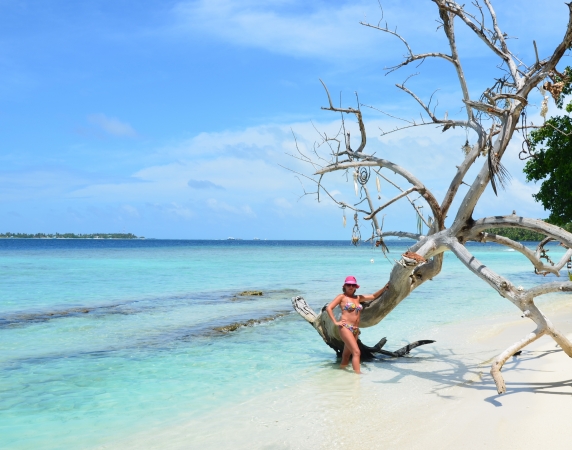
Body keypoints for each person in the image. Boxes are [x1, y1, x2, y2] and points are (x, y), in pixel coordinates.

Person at [325, 276, 390, 373]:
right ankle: (357, 376)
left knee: (347, 354)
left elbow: (373, 296)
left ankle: (341, 371)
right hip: (345, 327)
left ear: (356, 287)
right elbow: (329, 308)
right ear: (345, 286)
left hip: (355, 329)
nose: (351, 287)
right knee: (356, 352)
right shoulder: (341, 297)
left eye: (353, 285)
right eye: (348, 285)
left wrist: (384, 288)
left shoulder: (358, 298)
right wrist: (335, 322)